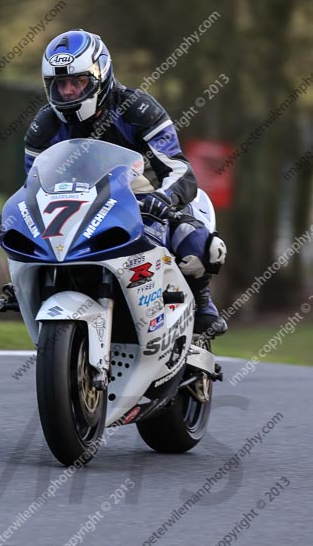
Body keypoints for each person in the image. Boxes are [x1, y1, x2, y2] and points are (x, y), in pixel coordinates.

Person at [17, 28, 227, 335]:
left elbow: (179, 169)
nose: (70, 92)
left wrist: (165, 198)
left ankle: (201, 299)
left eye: (78, 81)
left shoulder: (138, 109)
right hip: (77, 208)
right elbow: (32, 185)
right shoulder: (44, 125)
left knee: (194, 239)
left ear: (100, 75)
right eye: (61, 84)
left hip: (142, 202)